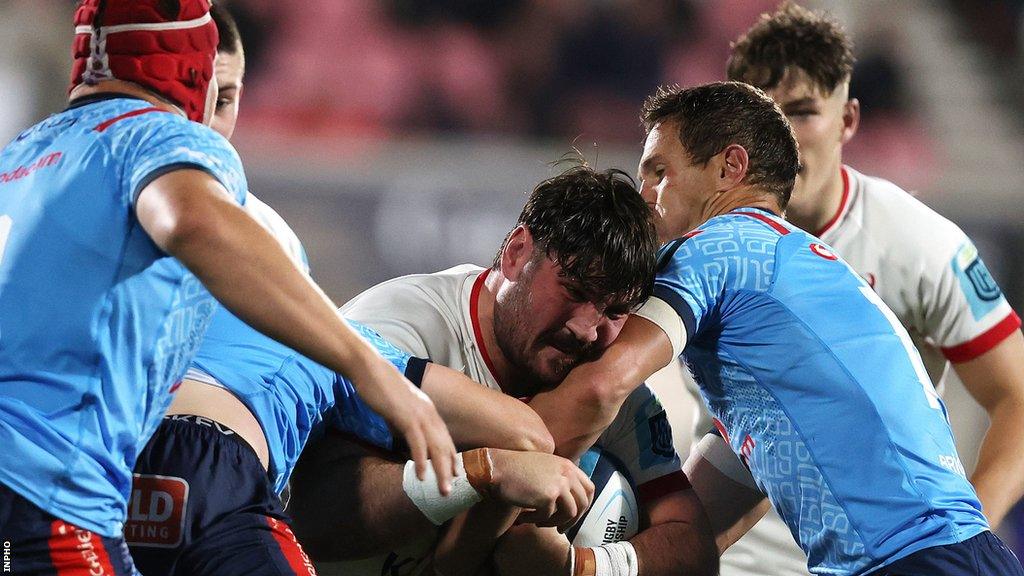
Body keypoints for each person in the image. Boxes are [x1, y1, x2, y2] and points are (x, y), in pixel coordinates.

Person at [121, 7, 588, 575]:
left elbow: (519, 434)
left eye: (224, 99)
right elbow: (518, 435)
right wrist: (487, 469)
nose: (207, 125)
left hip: (83, 483)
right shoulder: (250, 234)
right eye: (189, 98)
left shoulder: (270, 248)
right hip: (198, 467)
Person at [0, 1, 455, 573]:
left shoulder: (21, 156)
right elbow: (193, 220)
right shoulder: (163, 138)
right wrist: (368, 368)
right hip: (47, 499)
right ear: (195, 67)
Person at [523, 81, 1024, 575]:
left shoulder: (716, 246)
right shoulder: (799, 282)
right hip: (960, 555)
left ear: (730, 167)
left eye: (659, 171)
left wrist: (487, 485)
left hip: (911, 562)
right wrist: (609, 562)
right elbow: (700, 529)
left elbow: (603, 386)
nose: (644, 194)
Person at [683, 5, 1024, 575]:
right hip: (737, 558)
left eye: (803, 112)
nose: (783, 137)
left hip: (886, 558)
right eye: (765, 117)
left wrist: (967, 532)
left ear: (848, 120)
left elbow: (1017, 396)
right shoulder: (704, 248)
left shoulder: (916, 241)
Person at [288, 166, 719, 576]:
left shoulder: (604, 386)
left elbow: (694, 548)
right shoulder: (403, 326)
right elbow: (309, 519)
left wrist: (581, 567)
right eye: (574, 290)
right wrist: (480, 473)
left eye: (614, 311)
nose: (586, 329)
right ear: (516, 253)